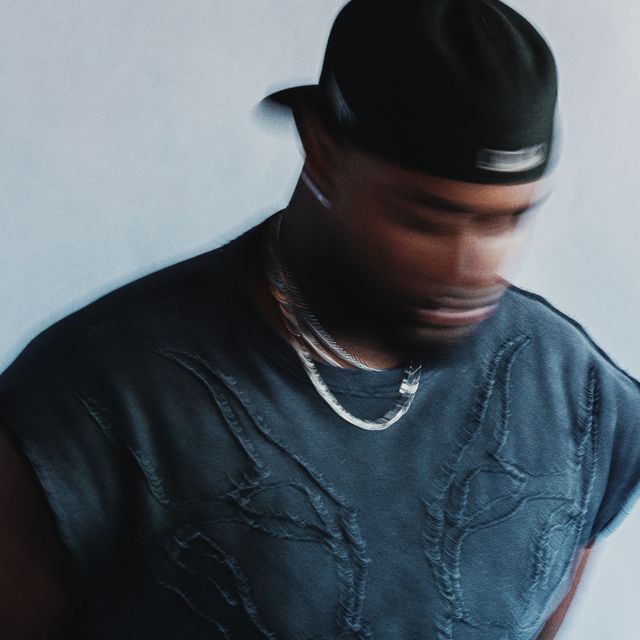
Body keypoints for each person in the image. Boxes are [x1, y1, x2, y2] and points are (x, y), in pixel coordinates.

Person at [1, 0, 639, 638]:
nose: (470, 267)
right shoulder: (88, 402)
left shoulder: (575, 394)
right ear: (323, 152)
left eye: (508, 218)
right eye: (425, 219)